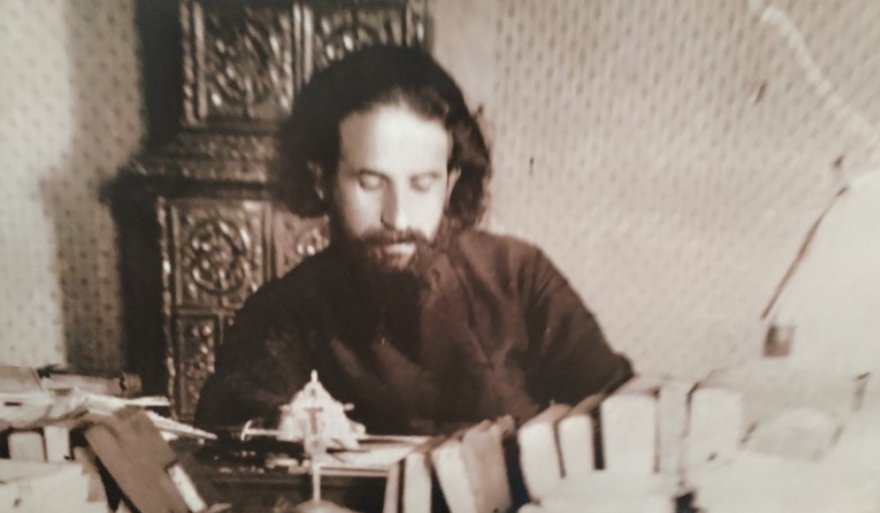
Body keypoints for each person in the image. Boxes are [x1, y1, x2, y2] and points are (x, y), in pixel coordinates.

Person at [194, 45, 633, 435]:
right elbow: (230, 427)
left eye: (423, 184)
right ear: (322, 179)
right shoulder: (283, 311)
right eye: (370, 182)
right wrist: (279, 423)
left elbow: (618, 409)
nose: (397, 216)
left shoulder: (520, 275)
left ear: (450, 183)